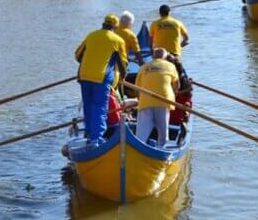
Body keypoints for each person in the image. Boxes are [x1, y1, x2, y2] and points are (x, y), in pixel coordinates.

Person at [74, 14, 128, 144]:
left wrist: (91, 63)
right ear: (115, 27)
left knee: (88, 106)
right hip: (101, 78)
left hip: (84, 75)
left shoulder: (91, 35)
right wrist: (123, 76)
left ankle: (88, 134)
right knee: (100, 108)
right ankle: (96, 139)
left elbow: (77, 56)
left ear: (103, 24)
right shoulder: (118, 40)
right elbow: (123, 64)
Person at [135, 47, 180, 147]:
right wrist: (174, 96)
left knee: (141, 136)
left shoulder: (144, 67)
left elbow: (137, 89)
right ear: (165, 57)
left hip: (145, 101)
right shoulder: (171, 66)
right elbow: (177, 85)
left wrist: (139, 100)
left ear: (153, 57)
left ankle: (139, 148)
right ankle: (161, 148)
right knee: (163, 133)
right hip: (164, 100)